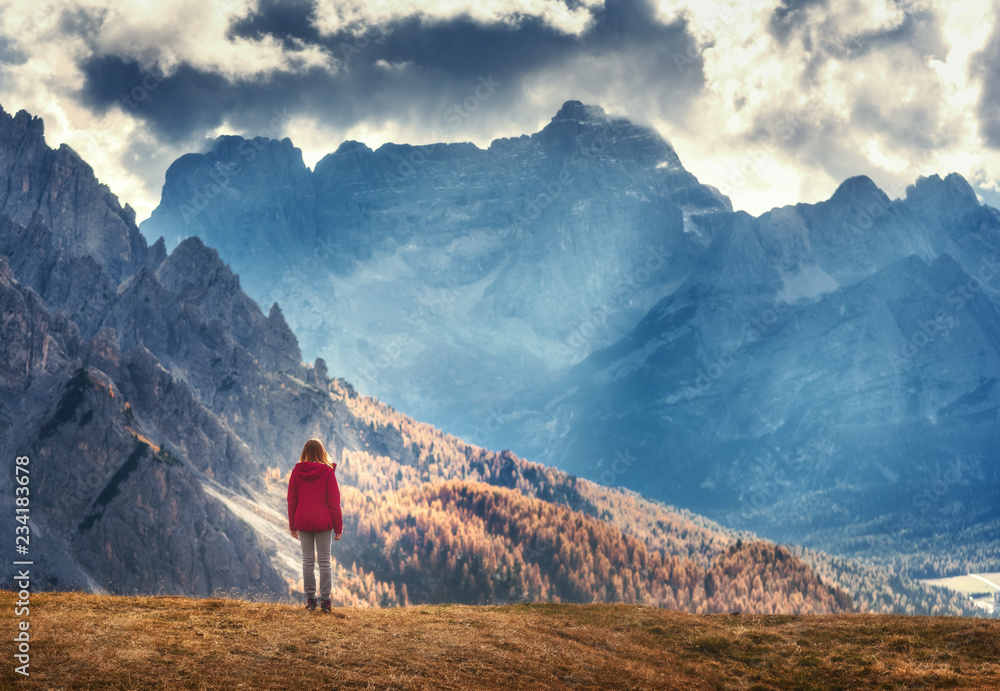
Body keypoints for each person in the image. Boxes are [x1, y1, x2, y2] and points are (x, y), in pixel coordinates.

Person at [287, 438, 343, 613]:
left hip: (303, 522)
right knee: (324, 562)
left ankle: (311, 600)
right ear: (322, 452)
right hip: (323, 523)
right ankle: (325, 602)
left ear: (305, 453)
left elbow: (291, 500)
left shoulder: (296, 472)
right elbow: (334, 502)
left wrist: (292, 526)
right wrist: (338, 527)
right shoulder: (327, 473)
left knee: (307, 562)